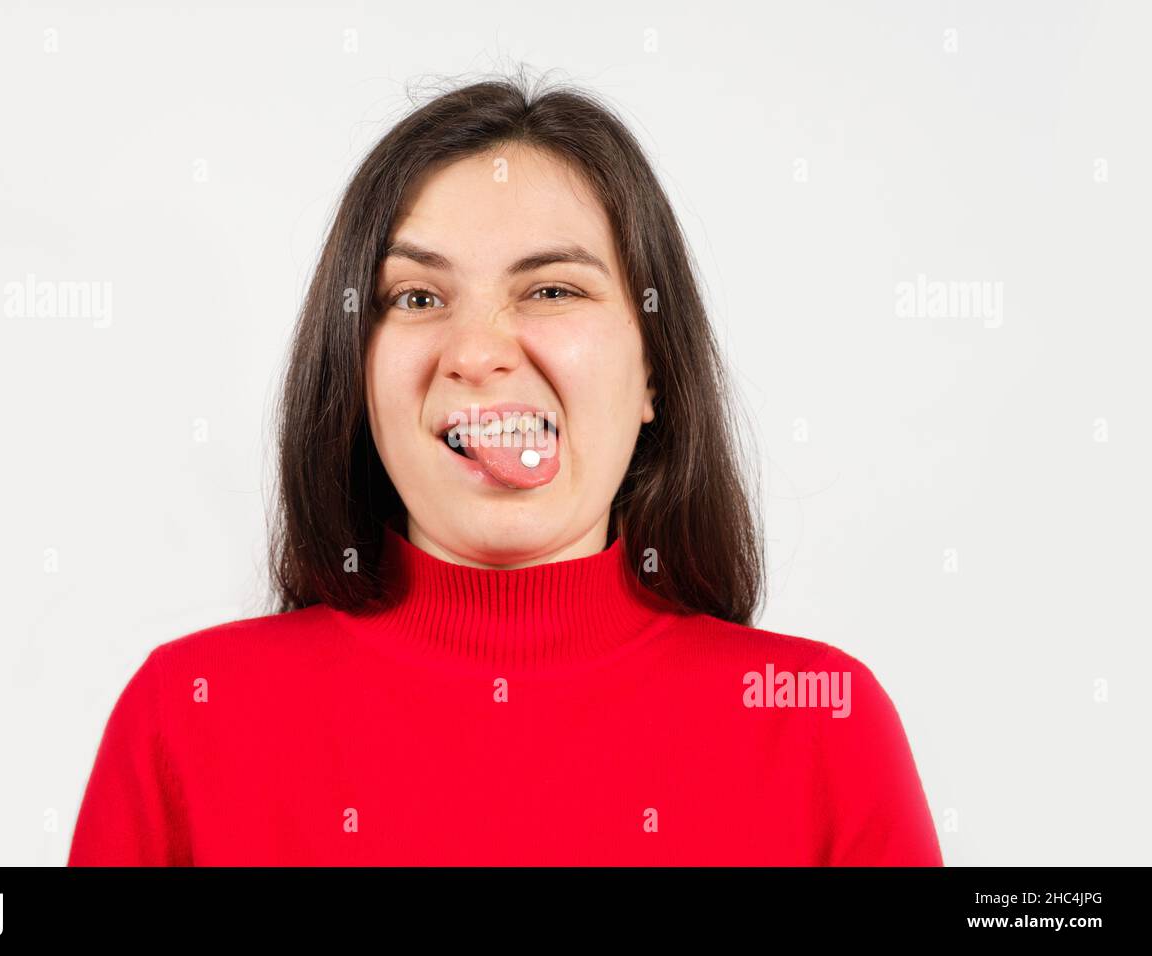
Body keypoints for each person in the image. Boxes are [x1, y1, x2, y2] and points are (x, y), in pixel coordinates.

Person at [68, 73, 943, 866]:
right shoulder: (188, 717)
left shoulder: (819, 729)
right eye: (417, 298)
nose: (479, 352)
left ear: (653, 372)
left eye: (552, 290)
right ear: (356, 372)